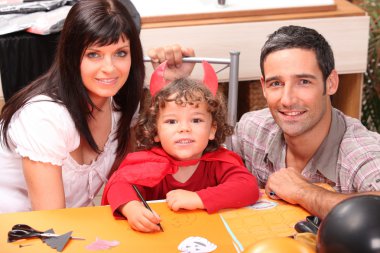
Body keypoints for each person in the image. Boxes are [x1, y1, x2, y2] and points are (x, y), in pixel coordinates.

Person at [0, 0, 194, 213]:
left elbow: (139, 177)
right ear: (71, 57)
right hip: (20, 232)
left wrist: (169, 85)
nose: (109, 68)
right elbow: (50, 225)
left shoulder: (123, 105)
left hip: (73, 225)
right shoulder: (44, 118)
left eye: (120, 53)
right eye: (94, 54)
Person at [232, 25, 380, 219]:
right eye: (276, 83)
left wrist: (302, 191)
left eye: (304, 82)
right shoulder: (251, 130)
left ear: (331, 82)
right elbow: (201, 166)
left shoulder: (362, 153)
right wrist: (178, 82)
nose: (287, 100)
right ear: (264, 87)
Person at [101, 61, 259, 233]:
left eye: (196, 120)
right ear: (155, 132)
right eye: (171, 121)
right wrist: (131, 208)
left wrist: (198, 198)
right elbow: (119, 184)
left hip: (210, 237)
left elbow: (248, 187)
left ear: (212, 129)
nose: (184, 128)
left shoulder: (220, 162)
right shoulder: (146, 164)